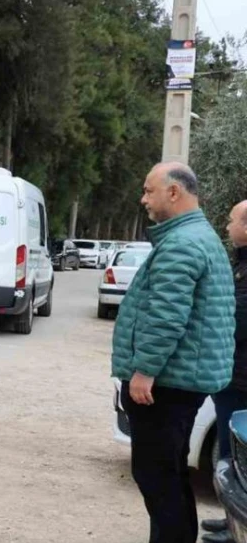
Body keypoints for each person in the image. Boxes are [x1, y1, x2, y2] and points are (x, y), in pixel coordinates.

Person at [112, 162, 235, 543]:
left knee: (157, 476)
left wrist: (144, 370)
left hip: (166, 384)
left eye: (149, 190)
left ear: (174, 193)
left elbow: (166, 316)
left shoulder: (183, 243)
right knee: (168, 473)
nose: (143, 198)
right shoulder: (196, 235)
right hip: (181, 380)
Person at [203, 200, 247, 543]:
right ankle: (230, 517)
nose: (227, 226)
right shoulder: (239, 265)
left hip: (242, 379)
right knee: (227, 455)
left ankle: (239, 530)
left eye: (231, 221)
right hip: (230, 374)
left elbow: (235, 322)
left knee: (239, 460)